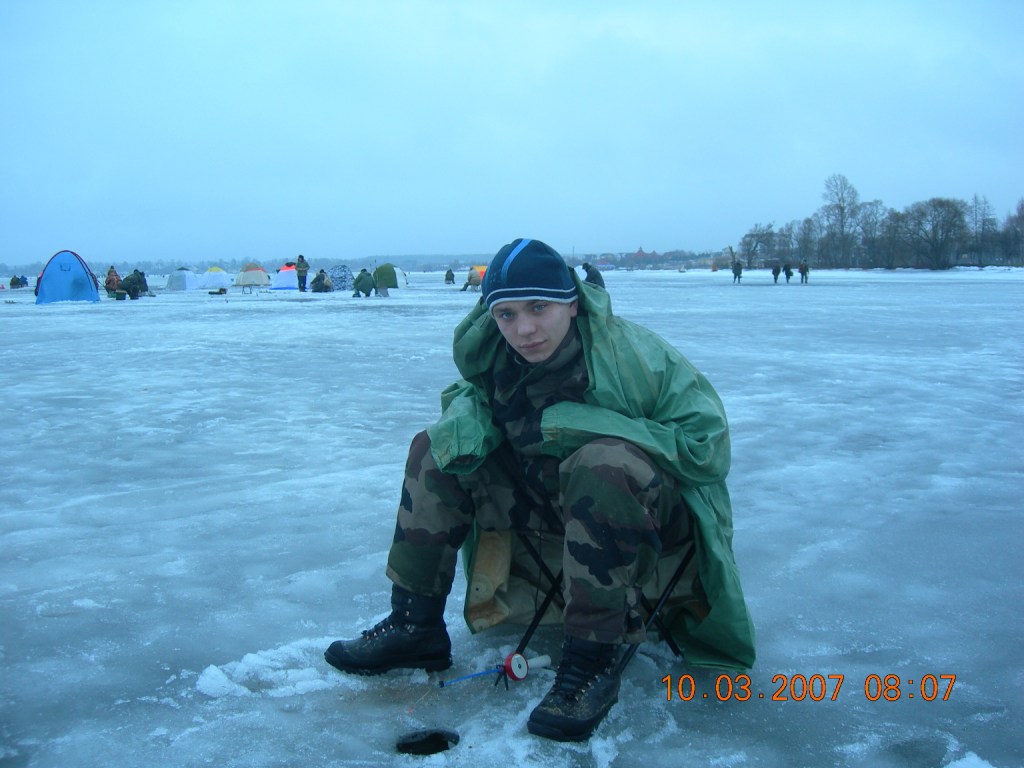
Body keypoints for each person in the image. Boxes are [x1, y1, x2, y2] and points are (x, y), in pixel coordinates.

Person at [324, 238, 755, 742]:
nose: (523, 330)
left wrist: (582, 425)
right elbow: (469, 399)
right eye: (505, 315)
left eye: (538, 308)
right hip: (542, 503)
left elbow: (708, 447)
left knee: (603, 462)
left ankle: (591, 661)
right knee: (436, 449)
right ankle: (413, 625)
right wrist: (466, 421)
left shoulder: (637, 356)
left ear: (570, 303)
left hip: (647, 516)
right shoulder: (494, 358)